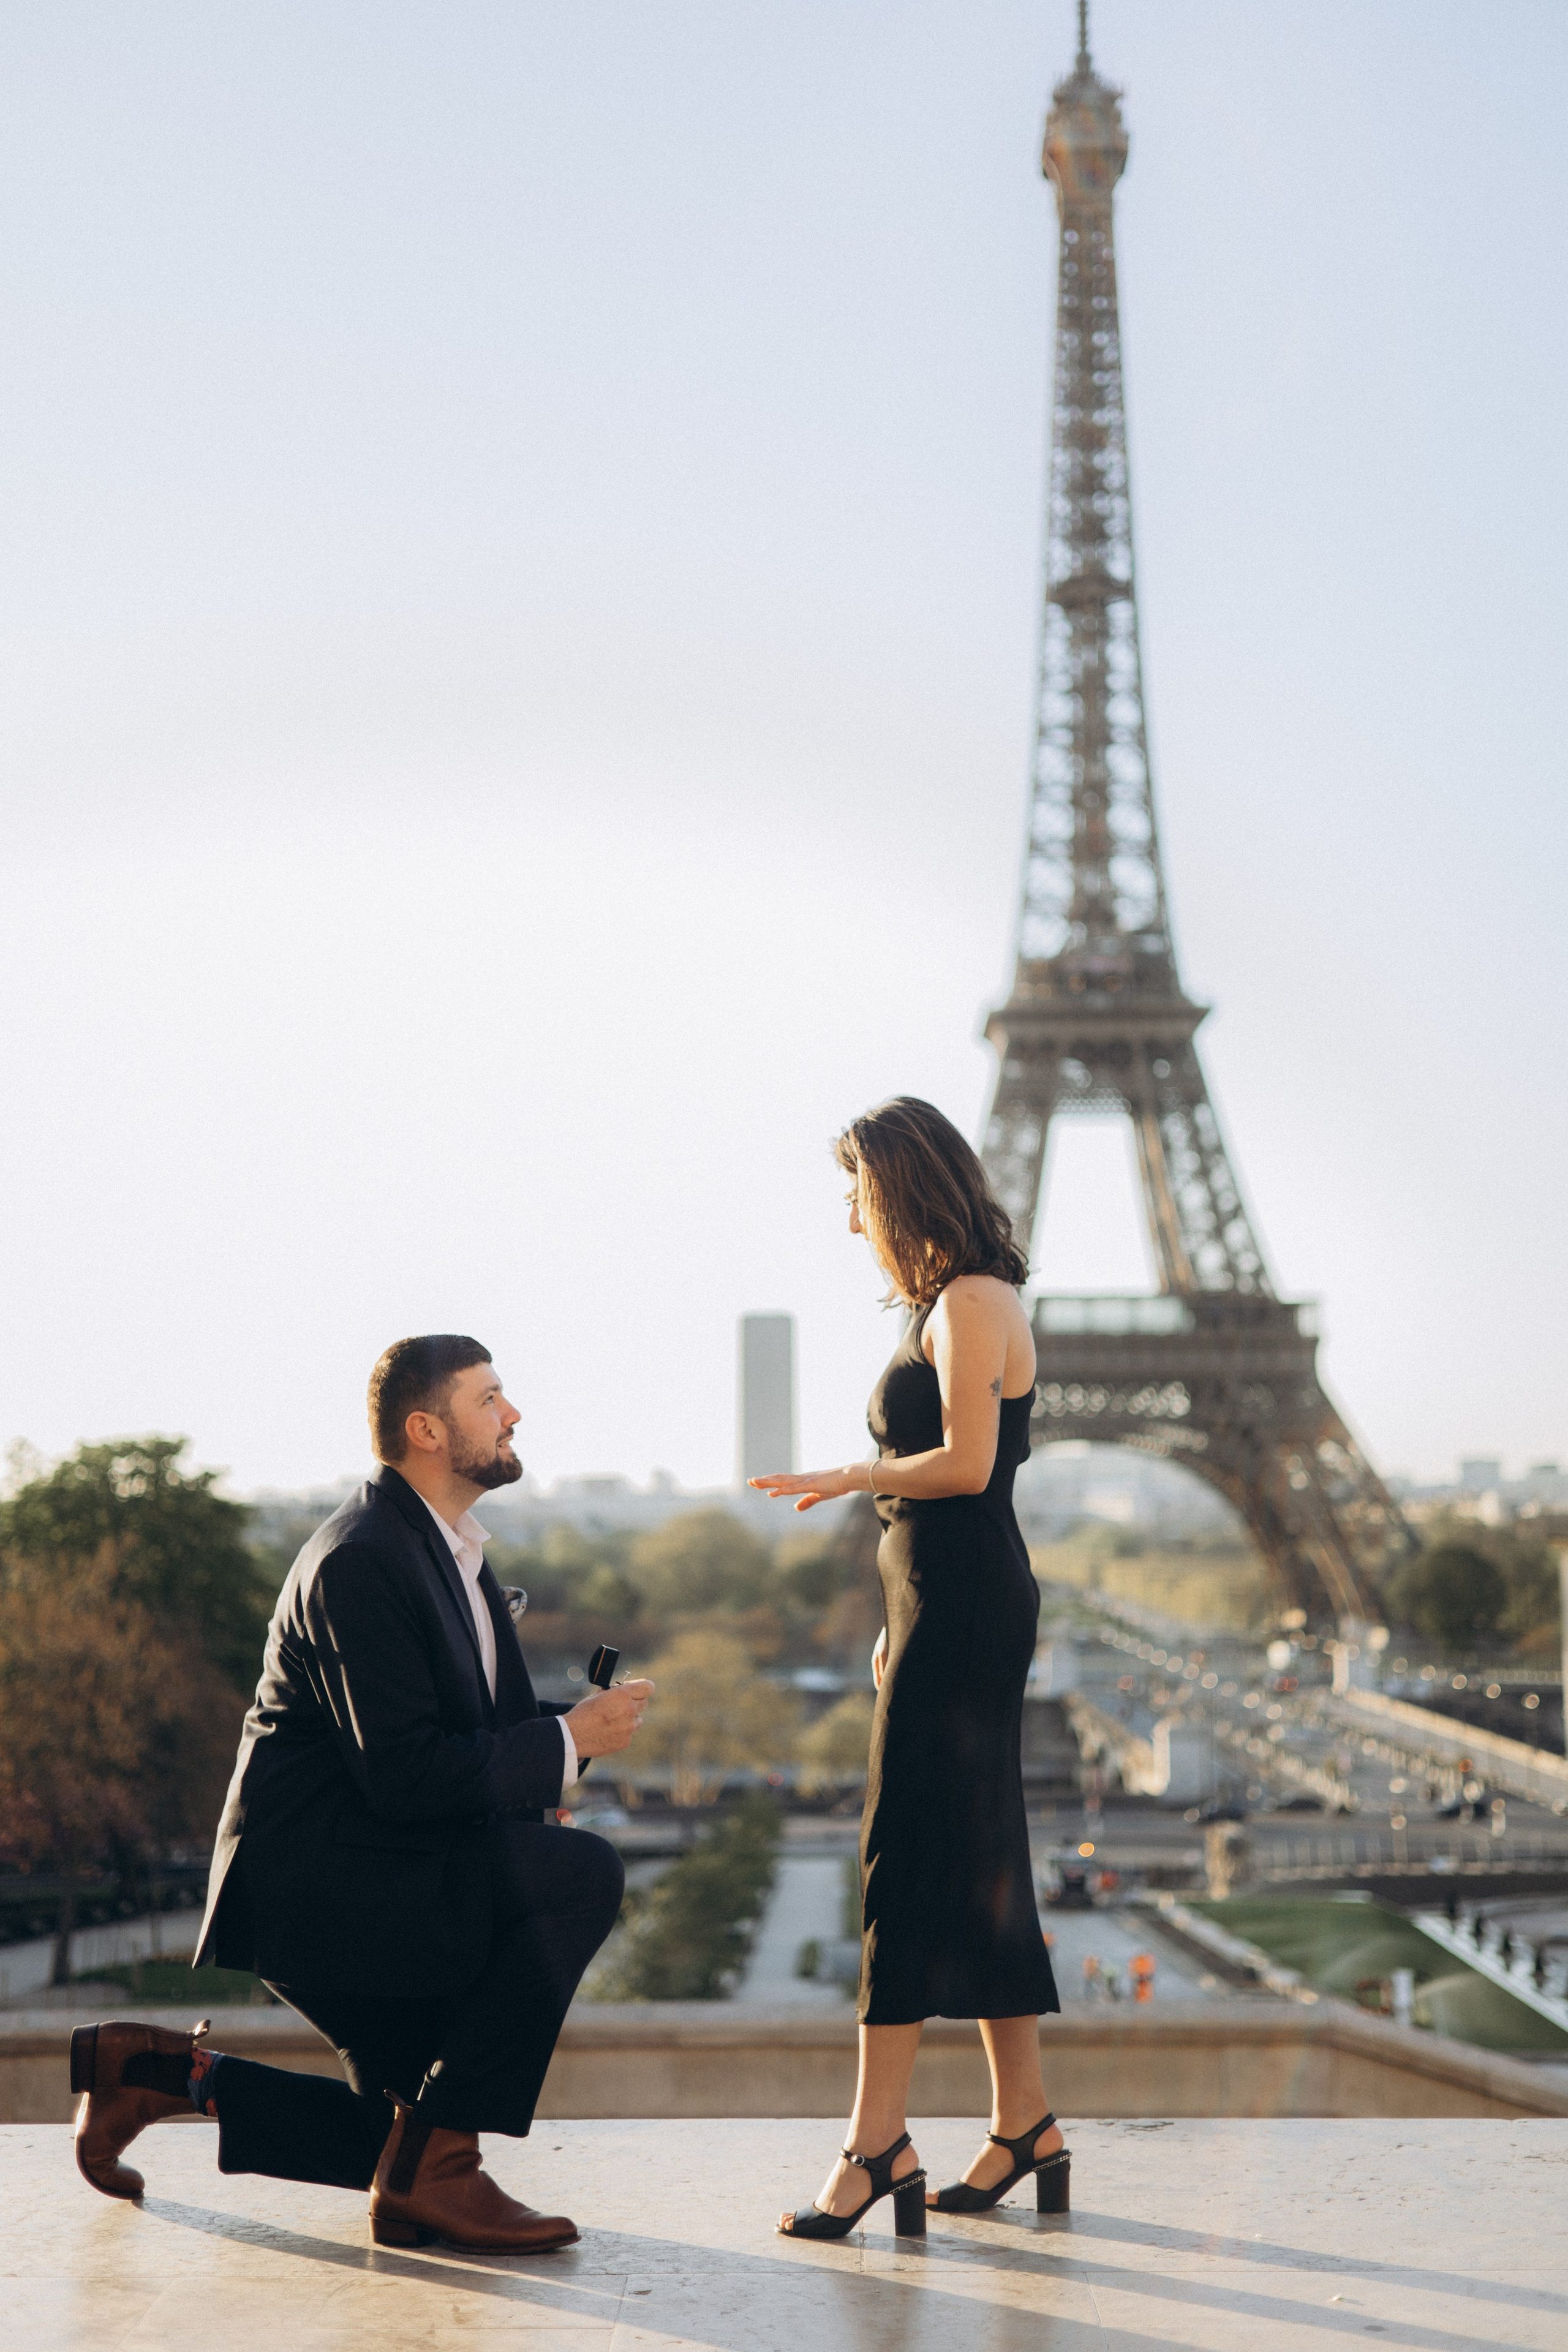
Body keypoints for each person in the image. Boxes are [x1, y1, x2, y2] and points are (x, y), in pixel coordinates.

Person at [70, 1335, 654, 2253]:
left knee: (409, 2124)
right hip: (330, 1886)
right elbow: (407, 1771)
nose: (514, 1413)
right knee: (580, 1876)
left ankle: (155, 2075)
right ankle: (438, 2172)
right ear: (427, 1429)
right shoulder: (364, 1558)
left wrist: (571, 1737)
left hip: (381, 1867)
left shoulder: (448, 1552)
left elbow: (466, 1733)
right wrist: (562, 1745)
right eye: (490, 1397)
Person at [752, 1098, 1065, 2237]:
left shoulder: (975, 1303)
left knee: (899, 1862)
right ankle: (1024, 2124)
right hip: (941, 1602)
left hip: (968, 1604)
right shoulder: (949, 1304)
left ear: (901, 1191)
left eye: (857, 1198)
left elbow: (970, 1467)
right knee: (981, 1858)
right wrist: (896, 1615)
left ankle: (875, 2144)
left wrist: (844, 1475)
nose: (849, 1222)